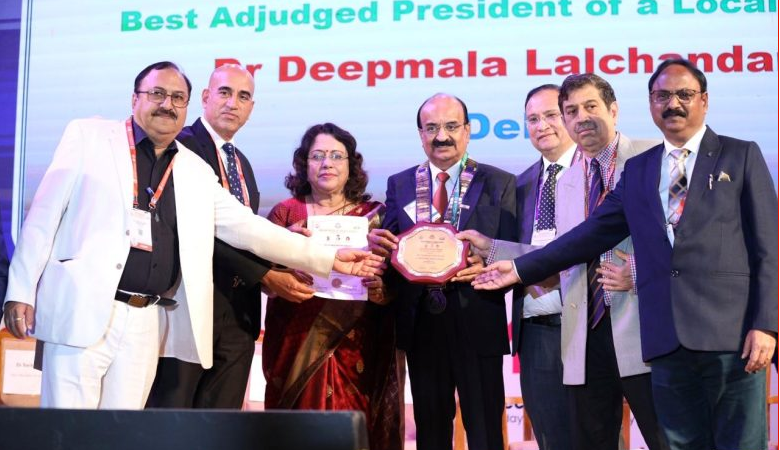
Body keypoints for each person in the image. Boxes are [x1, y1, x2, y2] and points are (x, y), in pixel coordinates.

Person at [1, 61, 382, 410]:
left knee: (123, 434)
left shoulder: (194, 169)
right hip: (81, 310)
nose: (167, 105)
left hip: (146, 320)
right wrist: (20, 289)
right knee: (68, 432)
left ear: (186, 105)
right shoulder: (89, 136)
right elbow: (43, 216)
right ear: (135, 99)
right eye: (157, 94)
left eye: (176, 98)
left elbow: (249, 228)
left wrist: (328, 258)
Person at [473, 59, 778, 450]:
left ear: (704, 101)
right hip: (638, 342)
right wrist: (517, 268)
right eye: (662, 96)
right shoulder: (633, 171)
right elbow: (584, 239)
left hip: (713, 335)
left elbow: (765, 248)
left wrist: (766, 324)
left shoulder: (729, 155)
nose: (673, 104)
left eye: (684, 95)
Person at [463, 74, 667, 450]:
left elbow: (685, 232)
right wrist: (495, 250)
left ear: (614, 110)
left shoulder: (652, 156)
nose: (580, 118)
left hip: (644, 327)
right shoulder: (567, 181)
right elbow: (566, 250)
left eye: (590, 107)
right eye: (571, 111)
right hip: (583, 333)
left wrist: (638, 271)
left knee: (669, 438)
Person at [146, 64, 317, 409]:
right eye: (224, 92)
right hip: (189, 312)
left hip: (238, 316)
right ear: (205, 97)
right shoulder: (182, 148)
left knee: (220, 426)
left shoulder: (241, 162)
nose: (232, 103)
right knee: (173, 423)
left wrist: (277, 249)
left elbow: (242, 230)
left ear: (251, 108)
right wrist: (264, 273)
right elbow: (192, 229)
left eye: (243, 96)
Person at [369, 94, 517, 450]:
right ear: (421, 134)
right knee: (431, 432)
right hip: (422, 323)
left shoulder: (500, 182)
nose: (442, 136)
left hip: (478, 316)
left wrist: (488, 261)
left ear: (468, 130)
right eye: (431, 128)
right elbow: (392, 248)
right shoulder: (400, 183)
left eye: (451, 126)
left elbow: (513, 249)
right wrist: (377, 249)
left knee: (485, 432)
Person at [263, 123, 402, 450]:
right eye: (318, 156)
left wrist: (382, 291)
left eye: (337, 156)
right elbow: (265, 280)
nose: (327, 163)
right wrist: (284, 253)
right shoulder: (286, 213)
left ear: (352, 165)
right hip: (295, 339)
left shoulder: (376, 217)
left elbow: (395, 281)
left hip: (358, 344)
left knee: (351, 427)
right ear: (304, 164)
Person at [510, 84, 576, 450]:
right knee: (551, 437)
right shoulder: (517, 186)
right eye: (533, 119)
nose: (542, 125)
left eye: (551, 115)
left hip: (589, 325)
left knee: (598, 434)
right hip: (536, 331)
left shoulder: (598, 173)